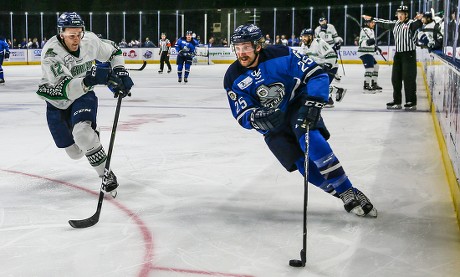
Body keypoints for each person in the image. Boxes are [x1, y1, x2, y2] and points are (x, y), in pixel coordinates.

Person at [224, 24, 377, 217]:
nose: (241, 53)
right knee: (301, 165)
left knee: (309, 140)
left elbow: (316, 74)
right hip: (273, 124)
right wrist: (255, 117)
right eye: (237, 47)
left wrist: (314, 101)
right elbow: (241, 110)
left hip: (297, 105)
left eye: (246, 47)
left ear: (258, 45)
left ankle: (346, 189)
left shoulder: (282, 54)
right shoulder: (232, 77)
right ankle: (344, 194)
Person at [36, 12, 134, 195]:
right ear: (61, 33)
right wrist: (91, 80)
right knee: (74, 153)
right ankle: (92, 138)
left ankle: (106, 175)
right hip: (57, 101)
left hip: (82, 97)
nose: (76, 40)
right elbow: (66, 89)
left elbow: (114, 51)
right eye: (71, 35)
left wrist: (119, 71)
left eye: (79, 34)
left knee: (82, 134)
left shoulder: (89, 41)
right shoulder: (51, 54)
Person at [363, 6, 423, 110]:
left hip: (409, 54)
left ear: (406, 15)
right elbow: (384, 22)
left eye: (402, 14)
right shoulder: (395, 24)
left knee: (408, 79)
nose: (400, 15)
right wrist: (372, 18)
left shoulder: (411, 23)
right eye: (399, 13)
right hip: (398, 55)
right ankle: (397, 101)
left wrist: (420, 19)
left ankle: (411, 101)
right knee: (395, 79)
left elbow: (417, 24)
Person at [299, 28, 346, 106]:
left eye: (306, 36)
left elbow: (331, 54)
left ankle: (335, 93)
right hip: (318, 67)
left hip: (330, 66)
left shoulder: (319, 42)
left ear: (311, 37)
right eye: (302, 37)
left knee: (320, 84)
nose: (303, 39)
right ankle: (333, 95)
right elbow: (303, 57)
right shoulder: (304, 45)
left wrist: (328, 65)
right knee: (312, 83)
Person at [357, 19, 383, 93]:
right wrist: (368, 42)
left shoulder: (372, 31)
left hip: (369, 53)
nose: (373, 24)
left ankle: (374, 83)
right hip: (364, 53)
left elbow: (372, 42)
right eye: (372, 23)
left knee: (376, 66)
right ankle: (366, 85)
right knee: (370, 68)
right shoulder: (364, 30)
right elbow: (361, 42)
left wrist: (375, 47)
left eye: (374, 23)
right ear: (367, 23)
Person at [315, 17, 343, 82]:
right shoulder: (317, 29)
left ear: (326, 21)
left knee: (335, 60)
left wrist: (337, 43)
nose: (322, 22)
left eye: (324, 21)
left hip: (332, 46)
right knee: (324, 61)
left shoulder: (331, 27)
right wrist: (322, 31)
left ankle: (336, 74)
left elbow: (335, 36)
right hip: (323, 48)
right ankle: (324, 74)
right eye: (321, 21)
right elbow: (317, 39)